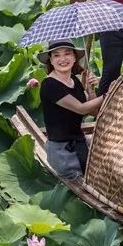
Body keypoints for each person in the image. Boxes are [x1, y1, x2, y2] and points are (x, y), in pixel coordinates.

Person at [38, 40, 103, 181]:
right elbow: (81, 109)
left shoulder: (74, 80)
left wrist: (91, 92)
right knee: (91, 181)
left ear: (74, 58)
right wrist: (109, 94)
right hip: (63, 153)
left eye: (67, 54)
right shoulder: (49, 85)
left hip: (79, 143)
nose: (63, 59)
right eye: (56, 56)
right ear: (51, 60)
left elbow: (93, 112)